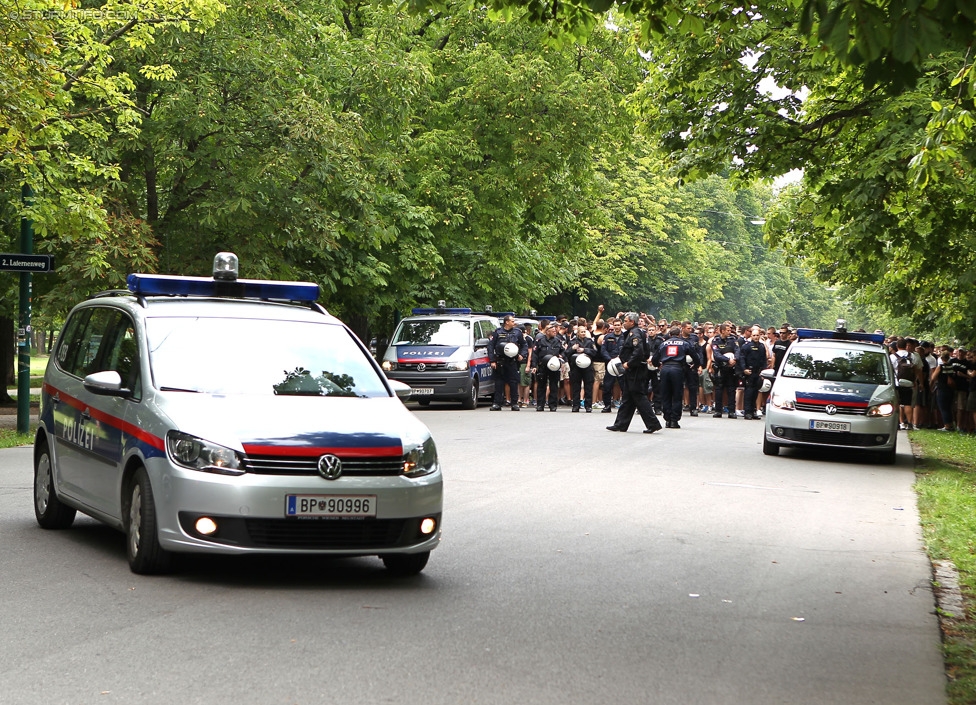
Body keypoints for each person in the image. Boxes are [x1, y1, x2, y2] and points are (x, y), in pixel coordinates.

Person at [607, 313, 663, 434]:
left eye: (626, 320)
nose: (624, 323)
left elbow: (638, 351)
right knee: (627, 397)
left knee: (638, 396)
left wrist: (629, 363)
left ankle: (653, 424)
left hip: (636, 370)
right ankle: (621, 424)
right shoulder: (634, 332)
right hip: (633, 370)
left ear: (632, 322)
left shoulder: (635, 333)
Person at [652, 325, 701, 429]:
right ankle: (674, 420)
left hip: (665, 369)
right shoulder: (684, 343)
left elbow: (654, 359)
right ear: (679, 335)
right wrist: (695, 365)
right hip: (678, 369)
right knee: (677, 395)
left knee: (666, 395)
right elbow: (696, 356)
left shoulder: (663, 344)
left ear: (669, 335)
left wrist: (658, 365)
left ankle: (667, 419)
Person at [488, 315, 528, 411]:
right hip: (500, 360)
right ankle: (497, 403)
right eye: (512, 321)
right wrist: (492, 360)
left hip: (512, 361)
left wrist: (522, 355)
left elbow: (524, 345)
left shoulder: (517, 332)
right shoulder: (498, 332)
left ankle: (514, 403)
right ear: (507, 322)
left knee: (513, 382)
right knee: (499, 382)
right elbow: (490, 346)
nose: (514, 322)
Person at [737, 327, 771, 419]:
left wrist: (764, 372)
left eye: (757, 335)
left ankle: (753, 411)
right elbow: (742, 358)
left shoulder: (761, 346)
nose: (756, 337)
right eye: (754, 335)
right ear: (751, 336)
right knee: (749, 392)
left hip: (758, 372)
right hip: (749, 372)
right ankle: (747, 412)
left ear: (760, 336)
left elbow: (764, 360)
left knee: (756, 392)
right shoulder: (746, 346)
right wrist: (744, 369)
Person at [532, 324, 565, 411]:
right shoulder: (540, 341)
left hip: (554, 366)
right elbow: (535, 354)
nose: (555, 332)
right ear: (547, 332)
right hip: (542, 365)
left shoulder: (558, 341)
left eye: (555, 331)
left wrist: (562, 357)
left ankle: (553, 405)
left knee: (554, 385)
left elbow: (563, 351)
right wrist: (534, 365)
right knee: (541, 385)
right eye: (553, 331)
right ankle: (540, 405)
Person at [710, 323, 740, 419]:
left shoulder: (733, 339)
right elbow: (716, 354)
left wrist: (734, 360)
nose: (729, 332)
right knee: (719, 389)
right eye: (727, 330)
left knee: (731, 389)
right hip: (720, 368)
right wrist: (727, 360)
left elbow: (738, 350)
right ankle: (718, 411)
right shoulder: (716, 341)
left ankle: (732, 411)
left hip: (731, 369)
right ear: (722, 331)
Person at [567, 324, 598, 412]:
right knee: (576, 386)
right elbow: (566, 353)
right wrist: (572, 349)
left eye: (585, 332)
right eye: (582, 332)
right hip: (576, 367)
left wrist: (584, 350)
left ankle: (588, 405)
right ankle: (576, 405)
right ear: (578, 333)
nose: (583, 333)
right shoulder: (573, 342)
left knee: (588, 386)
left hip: (587, 367)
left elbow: (595, 352)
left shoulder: (590, 341)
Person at [600, 318, 623, 413]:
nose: (617, 327)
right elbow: (603, 350)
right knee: (607, 385)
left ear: (621, 325)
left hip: (621, 364)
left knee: (624, 386)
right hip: (610, 364)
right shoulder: (607, 337)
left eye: (618, 325)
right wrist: (609, 359)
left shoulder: (625, 337)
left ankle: (624, 406)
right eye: (615, 325)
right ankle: (607, 405)